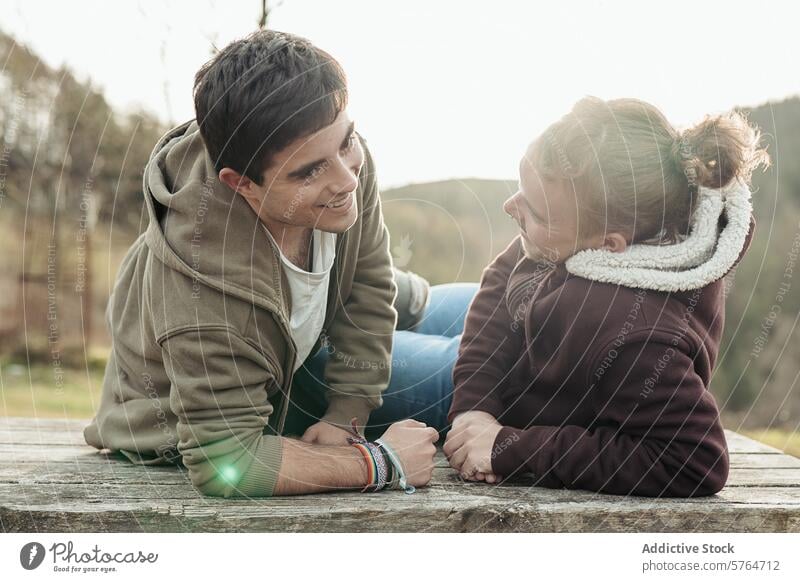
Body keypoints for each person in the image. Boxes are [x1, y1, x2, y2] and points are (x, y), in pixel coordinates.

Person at [84, 29, 476, 498]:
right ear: (242, 183)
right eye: (310, 170)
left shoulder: (337, 156)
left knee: (512, 307)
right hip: (266, 391)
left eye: (346, 142)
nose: (347, 179)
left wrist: (346, 415)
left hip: (324, 325)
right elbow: (225, 462)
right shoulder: (201, 292)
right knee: (503, 370)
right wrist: (377, 462)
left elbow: (370, 284)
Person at [444, 96, 769, 497]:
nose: (510, 206)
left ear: (609, 244)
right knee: (431, 308)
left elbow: (695, 461)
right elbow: (502, 277)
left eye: (537, 213)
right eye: (519, 189)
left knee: (388, 357)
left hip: (514, 401)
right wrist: (473, 405)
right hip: (498, 369)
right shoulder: (582, 230)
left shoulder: (636, 340)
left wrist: (511, 447)